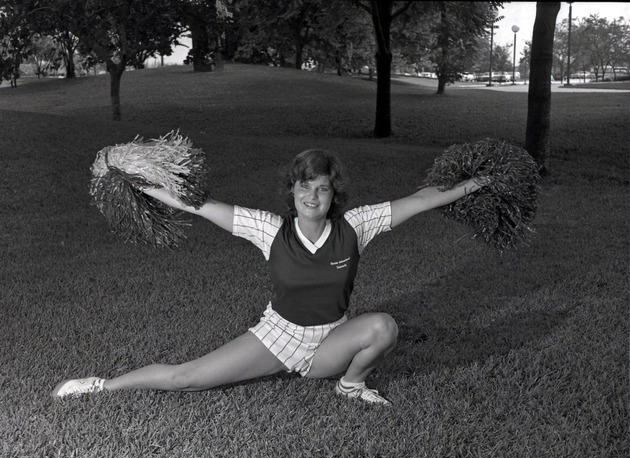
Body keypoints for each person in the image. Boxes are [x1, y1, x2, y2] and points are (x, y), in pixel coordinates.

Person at [52, 149, 483, 406]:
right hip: (278, 336)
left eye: (322, 189)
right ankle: (101, 385)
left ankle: (351, 386)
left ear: (334, 195)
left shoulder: (357, 226)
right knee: (188, 379)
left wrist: (480, 181)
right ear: (292, 192)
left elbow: (422, 200)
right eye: (304, 188)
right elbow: (196, 206)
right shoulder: (267, 228)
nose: (312, 197)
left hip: (331, 340)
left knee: (383, 326)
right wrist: (137, 184)